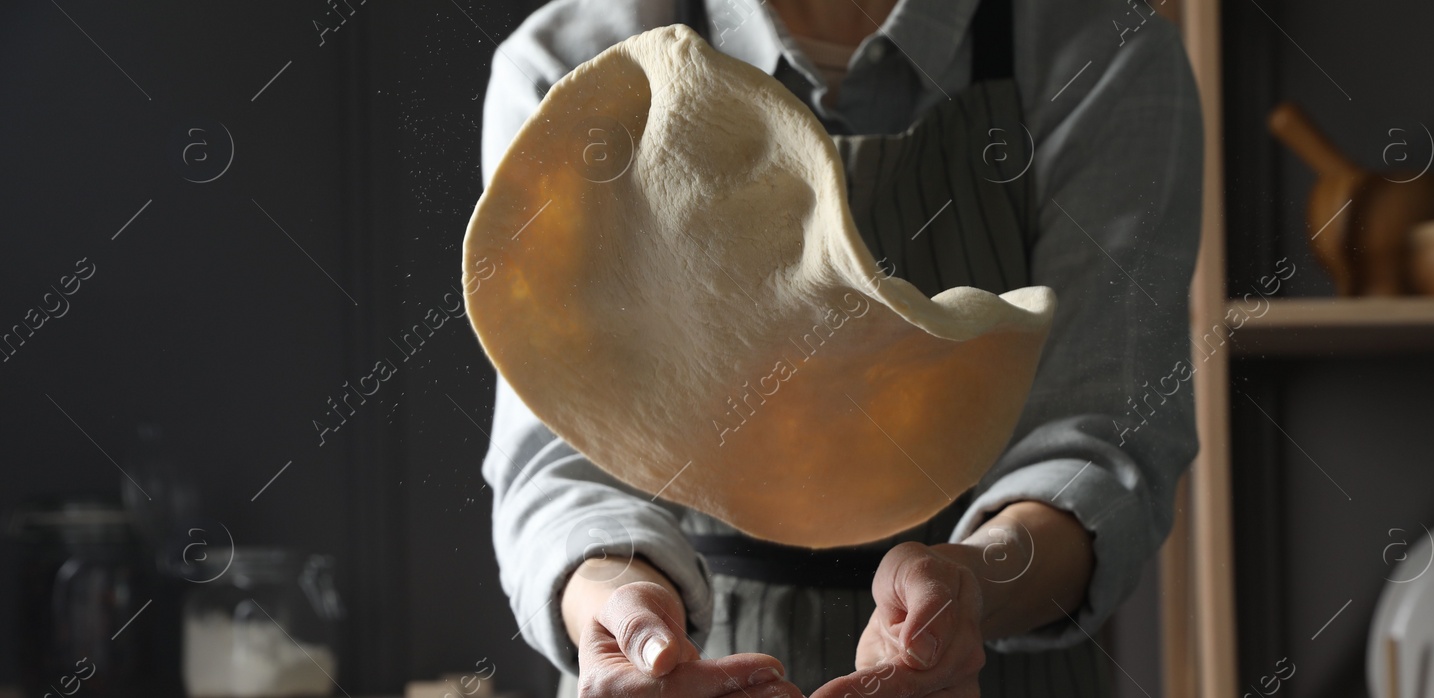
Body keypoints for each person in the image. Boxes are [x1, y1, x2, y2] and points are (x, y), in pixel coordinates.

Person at [477, 0, 1202, 695]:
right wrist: (618, 603)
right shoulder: (569, 60)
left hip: (985, 668)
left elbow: (1099, 446)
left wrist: (970, 588)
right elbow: (562, 466)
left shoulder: (1101, 52)